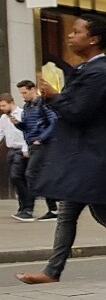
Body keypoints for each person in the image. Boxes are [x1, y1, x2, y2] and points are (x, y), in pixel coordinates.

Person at [16, 15, 106, 285]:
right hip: (86, 159)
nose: (70, 35)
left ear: (93, 40)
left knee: (104, 215)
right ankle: (51, 272)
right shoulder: (87, 70)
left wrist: (54, 97)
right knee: (71, 213)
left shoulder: (99, 73)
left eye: (76, 31)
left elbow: (78, 112)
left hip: (95, 159)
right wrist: (55, 97)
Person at [15, 79, 59, 221]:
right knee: (39, 175)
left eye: (25, 92)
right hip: (34, 144)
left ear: (33, 89)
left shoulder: (43, 104)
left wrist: (41, 139)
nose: (23, 96)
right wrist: (18, 124)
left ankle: (31, 208)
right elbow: (28, 127)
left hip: (42, 144)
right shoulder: (27, 107)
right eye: (21, 93)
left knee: (31, 173)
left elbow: (54, 122)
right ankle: (53, 207)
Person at [1, 93, 33, 221]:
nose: (2, 108)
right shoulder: (3, 118)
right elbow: (0, 133)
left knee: (17, 176)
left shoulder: (22, 114)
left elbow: (26, 132)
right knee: (16, 179)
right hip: (11, 150)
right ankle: (23, 206)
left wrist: (26, 149)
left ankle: (28, 208)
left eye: (4, 105)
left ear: (10, 102)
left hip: (21, 150)